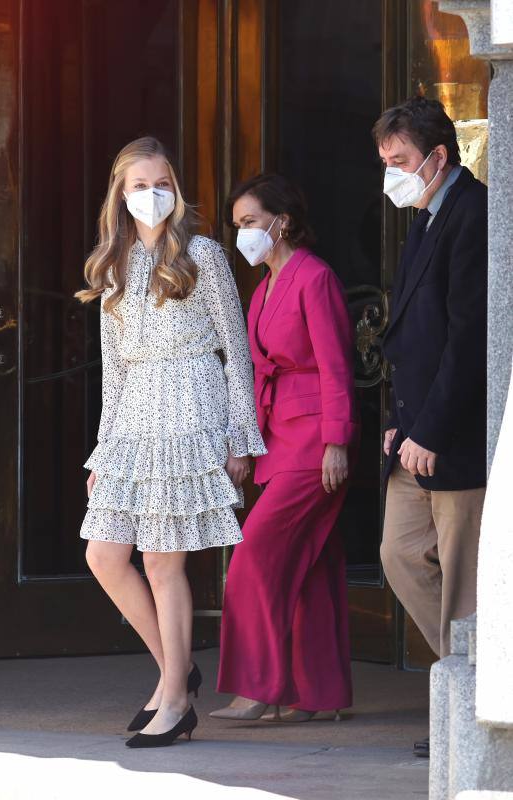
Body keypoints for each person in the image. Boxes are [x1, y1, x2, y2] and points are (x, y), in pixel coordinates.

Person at [75, 136, 266, 748]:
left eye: (161, 184)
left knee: (162, 561)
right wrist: (103, 452)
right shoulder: (111, 263)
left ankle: (176, 699)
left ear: (175, 189)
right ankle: (174, 671)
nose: (151, 195)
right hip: (133, 419)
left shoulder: (203, 254)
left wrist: (241, 436)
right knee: (104, 555)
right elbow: (114, 367)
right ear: (120, 194)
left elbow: (236, 350)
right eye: (138, 186)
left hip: (192, 407)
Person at [210, 174, 358, 721]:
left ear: (283, 222)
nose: (243, 235)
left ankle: (258, 688)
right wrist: (244, 443)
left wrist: (337, 442)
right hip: (278, 437)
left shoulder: (313, 277)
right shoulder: (265, 286)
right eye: (238, 226)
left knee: (254, 557)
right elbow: (252, 372)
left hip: (316, 439)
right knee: (311, 564)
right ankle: (317, 694)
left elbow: (337, 365)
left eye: (250, 223)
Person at [374, 96, 487, 757]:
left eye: (399, 161)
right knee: (398, 552)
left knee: (462, 581)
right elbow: (408, 337)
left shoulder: (470, 214)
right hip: (413, 435)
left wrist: (431, 429)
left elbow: (468, 337)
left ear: (437, 158)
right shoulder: (423, 218)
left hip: (453, 439)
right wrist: (397, 422)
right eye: (383, 162)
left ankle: (470, 713)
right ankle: (472, 690)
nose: (390, 174)